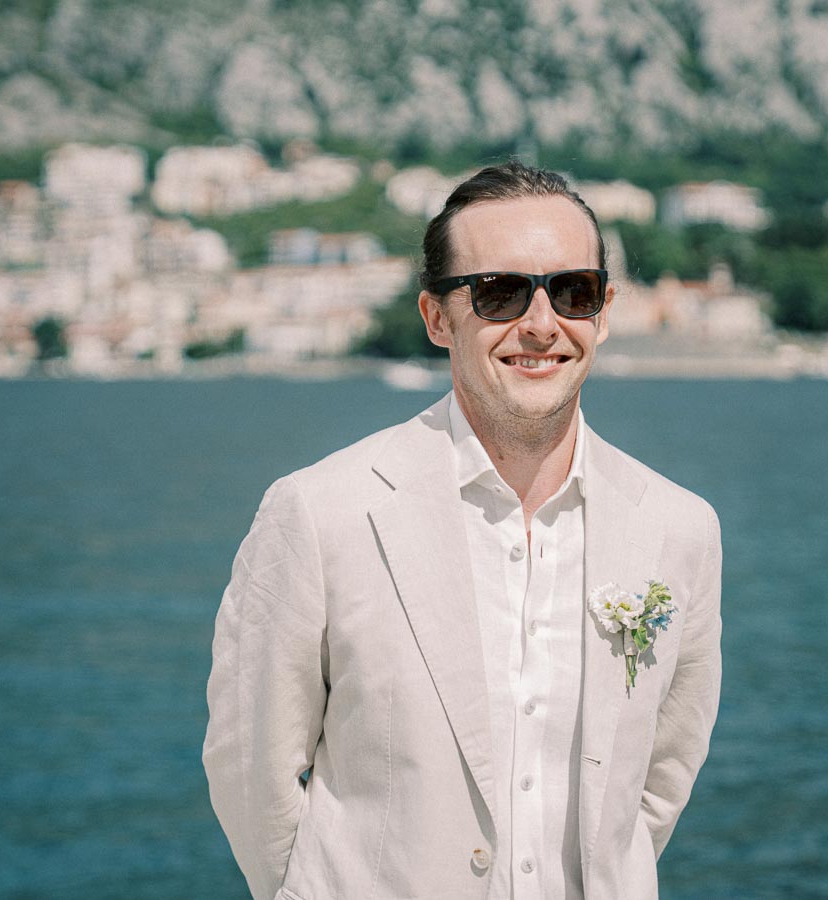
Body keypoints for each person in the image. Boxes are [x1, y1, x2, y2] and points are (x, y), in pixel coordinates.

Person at [203, 160, 722, 900]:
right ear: (438, 318)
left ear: (602, 314)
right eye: (501, 293)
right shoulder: (320, 514)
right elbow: (251, 769)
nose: (542, 324)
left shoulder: (680, 529)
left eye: (573, 291)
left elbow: (659, 781)